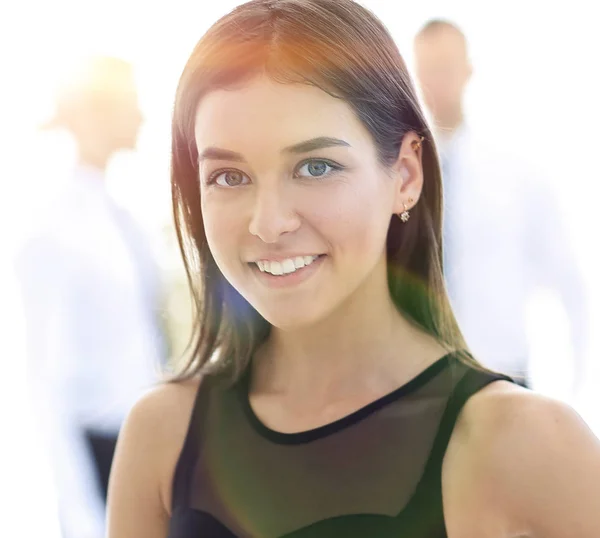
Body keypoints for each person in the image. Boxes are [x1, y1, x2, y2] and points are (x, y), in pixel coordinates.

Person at [107, 1, 600, 537]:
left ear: (406, 174)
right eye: (228, 176)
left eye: (316, 167)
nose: (268, 223)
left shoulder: (531, 449)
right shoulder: (162, 435)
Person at [16, 56, 168, 538]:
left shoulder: (123, 216)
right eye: (131, 105)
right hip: (100, 460)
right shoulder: (51, 229)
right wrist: (80, 519)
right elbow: (44, 385)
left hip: (145, 447)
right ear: (95, 114)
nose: (143, 117)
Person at [413, 19, 588, 389]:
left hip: (502, 373)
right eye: (427, 72)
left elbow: (568, 283)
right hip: (423, 377)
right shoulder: (399, 182)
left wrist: (580, 388)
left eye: (445, 69)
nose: (436, 83)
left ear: (467, 71)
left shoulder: (518, 179)